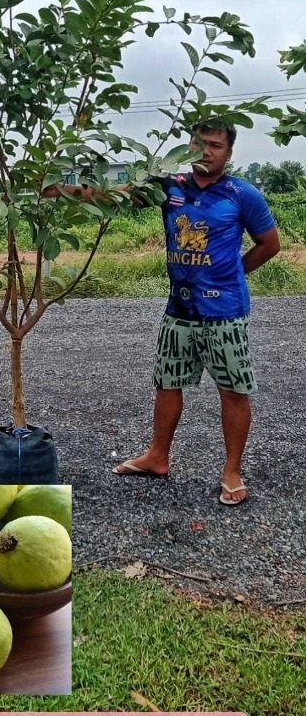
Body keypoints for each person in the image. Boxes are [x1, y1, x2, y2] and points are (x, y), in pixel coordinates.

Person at [42, 121, 280, 504]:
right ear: (187, 146)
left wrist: (233, 272)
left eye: (215, 145)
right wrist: (59, 191)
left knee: (234, 391)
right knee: (168, 383)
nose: (206, 151)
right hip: (179, 308)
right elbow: (110, 196)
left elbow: (269, 244)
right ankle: (157, 456)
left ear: (229, 153)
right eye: (199, 144)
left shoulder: (242, 194)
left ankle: (232, 471)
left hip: (225, 313)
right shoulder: (170, 186)